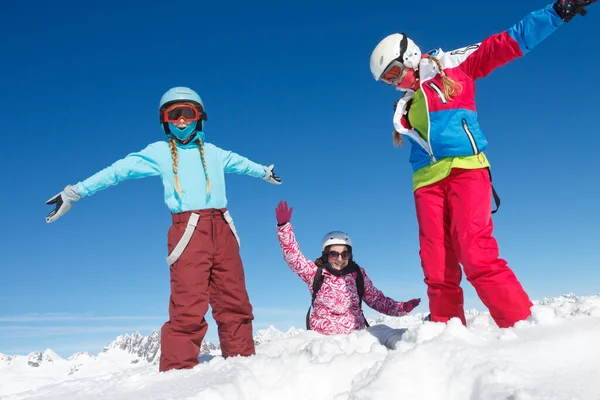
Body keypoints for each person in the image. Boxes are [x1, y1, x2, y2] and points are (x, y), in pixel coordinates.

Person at [368, 1, 595, 328]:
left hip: (466, 169)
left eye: (392, 73)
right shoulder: (405, 103)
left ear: (410, 57)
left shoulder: (452, 66)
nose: (394, 83)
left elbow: (506, 43)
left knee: (475, 252)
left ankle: (522, 327)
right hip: (426, 183)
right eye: (387, 81)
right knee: (437, 265)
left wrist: (557, 12)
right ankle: (448, 336)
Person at [45, 86, 282, 371]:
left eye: (187, 113)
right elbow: (117, 171)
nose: (181, 121)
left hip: (223, 227)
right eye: (174, 115)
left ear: (200, 117)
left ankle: (243, 367)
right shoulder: (157, 153)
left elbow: (243, 164)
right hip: (188, 230)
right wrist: (74, 192)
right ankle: (177, 378)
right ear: (165, 121)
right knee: (188, 305)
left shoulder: (215, 153)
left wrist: (264, 172)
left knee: (235, 300)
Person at [275, 201, 420, 349]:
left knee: (388, 332)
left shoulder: (357, 275)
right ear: (325, 255)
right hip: (323, 340)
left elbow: (376, 299)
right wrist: (284, 228)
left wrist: (402, 308)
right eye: (334, 254)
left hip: (356, 337)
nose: (339, 259)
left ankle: (418, 346)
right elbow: (293, 257)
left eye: (345, 254)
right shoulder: (315, 273)